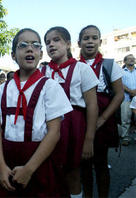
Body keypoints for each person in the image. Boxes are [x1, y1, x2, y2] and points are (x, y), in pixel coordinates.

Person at [0, 28, 72, 197]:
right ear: (13, 55)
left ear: (41, 54)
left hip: (40, 159)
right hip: (8, 159)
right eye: (23, 45)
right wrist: (1, 164)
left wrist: (29, 169)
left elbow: (54, 132)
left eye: (35, 45)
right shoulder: (3, 89)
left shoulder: (50, 86)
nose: (29, 48)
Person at [42, 26, 99, 198]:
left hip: (74, 126)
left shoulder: (83, 69)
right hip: (49, 126)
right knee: (50, 171)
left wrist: (89, 139)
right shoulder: (42, 71)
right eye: (47, 42)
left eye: (56, 40)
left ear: (68, 44)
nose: (51, 45)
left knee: (73, 173)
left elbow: (92, 105)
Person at [78, 25, 124, 198]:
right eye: (86, 38)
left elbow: (119, 95)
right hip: (81, 121)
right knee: (84, 165)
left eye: (94, 38)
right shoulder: (74, 66)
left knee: (101, 163)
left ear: (100, 41)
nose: (90, 41)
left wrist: (103, 118)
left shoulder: (110, 65)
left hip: (102, 122)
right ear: (79, 43)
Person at [120, 54, 136, 146]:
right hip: (126, 98)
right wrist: (130, 91)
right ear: (125, 61)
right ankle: (125, 137)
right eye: (129, 59)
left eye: (133, 58)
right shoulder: (121, 72)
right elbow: (120, 84)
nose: (132, 60)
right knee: (125, 118)